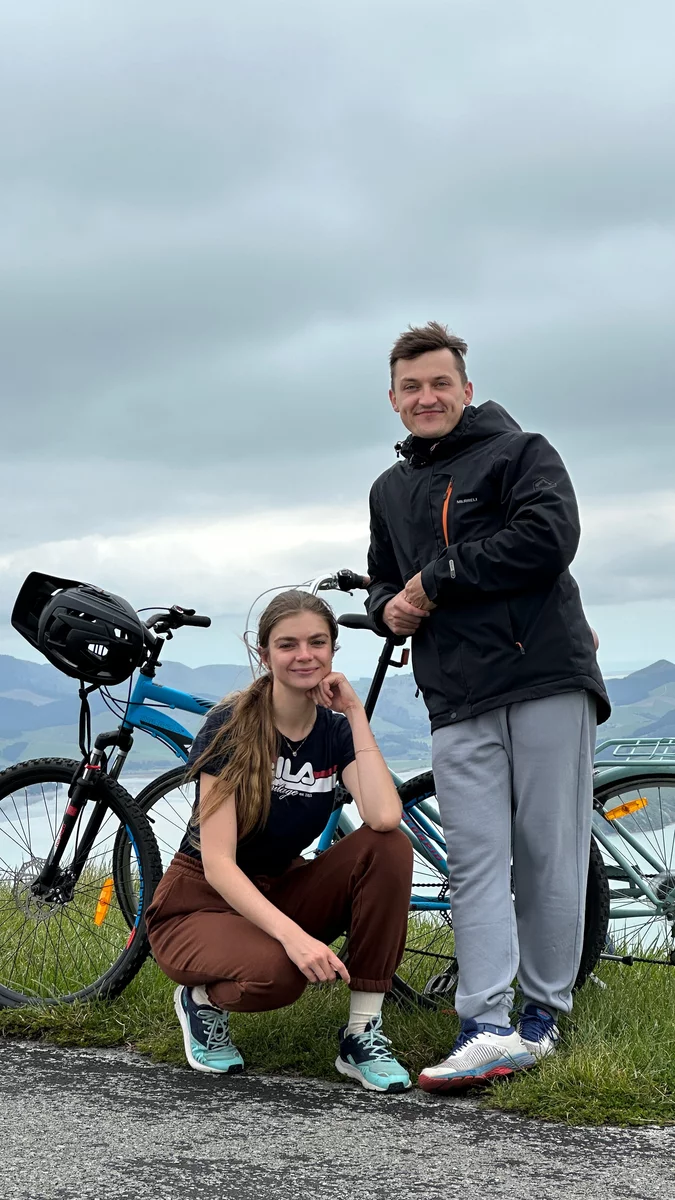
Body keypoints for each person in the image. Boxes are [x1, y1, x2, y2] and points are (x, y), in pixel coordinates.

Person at [366, 321, 610, 1091]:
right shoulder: (389, 489)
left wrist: (433, 582)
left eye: (439, 383)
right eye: (411, 387)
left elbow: (547, 537)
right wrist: (384, 611)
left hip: (541, 675)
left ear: (465, 390)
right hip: (454, 694)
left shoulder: (521, 452)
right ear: (394, 400)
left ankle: (538, 1015)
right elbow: (382, 581)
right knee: (474, 863)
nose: (426, 397)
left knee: (547, 853)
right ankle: (484, 1024)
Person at [146, 589, 414, 1093]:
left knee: (389, 846)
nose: (304, 655)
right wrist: (295, 938)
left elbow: (383, 815)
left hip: (279, 888)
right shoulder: (230, 726)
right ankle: (200, 1001)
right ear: (263, 653)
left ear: (333, 650)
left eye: (317, 642)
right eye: (287, 644)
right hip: (201, 903)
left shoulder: (334, 731)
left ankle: (362, 1033)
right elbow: (219, 863)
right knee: (280, 976)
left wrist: (355, 714)